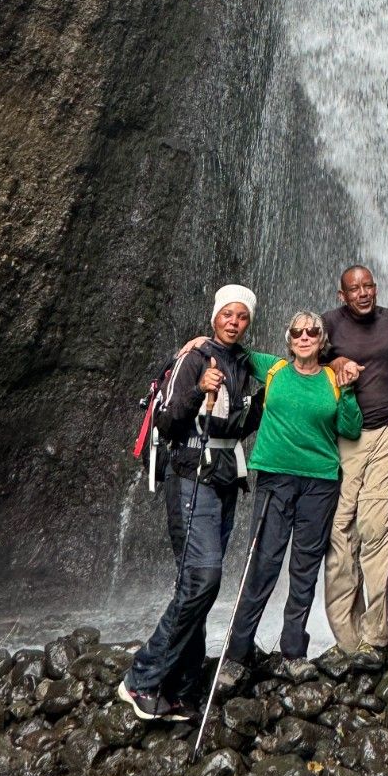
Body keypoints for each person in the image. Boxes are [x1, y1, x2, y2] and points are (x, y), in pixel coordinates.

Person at [120, 284, 260, 721]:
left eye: (242, 317)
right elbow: (167, 419)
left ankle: (181, 688)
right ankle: (140, 678)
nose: (234, 322)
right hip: (190, 477)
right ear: (214, 315)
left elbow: (239, 427)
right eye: (227, 314)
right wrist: (199, 388)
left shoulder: (243, 364)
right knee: (203, 579)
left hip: (223, 480)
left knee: (198, 586)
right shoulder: (194, 359)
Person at [221, 311, 363, 674]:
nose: (304, 336)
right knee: (263, 563)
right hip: (274, 479)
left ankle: (293, 652)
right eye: (297, 332)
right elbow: (231, 347)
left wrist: (347, 392)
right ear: (289, 339)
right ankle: (236, 652)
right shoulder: (273, 369)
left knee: (304, 568)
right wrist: (195, 345)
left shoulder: (333, 378)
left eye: (312, 331)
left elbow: (350, 427)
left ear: (321, 340)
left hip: (320, 482)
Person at [320, 264, 388, 666]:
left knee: (377, 532)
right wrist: (334, 363)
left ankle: (375, 637)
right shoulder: (325, 326)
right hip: (345, 438)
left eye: (368, 286)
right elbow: (299, 359)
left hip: (387, 435)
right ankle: (347, 638)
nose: (363, 293)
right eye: (354, 288)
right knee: (340, 535)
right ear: (341, 294)